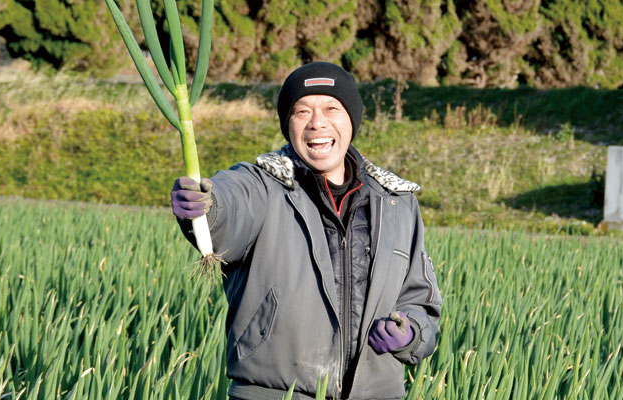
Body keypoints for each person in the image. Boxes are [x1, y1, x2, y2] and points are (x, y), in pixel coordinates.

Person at [170, 62, 441, 400]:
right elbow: (227, 207)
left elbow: (419, 302)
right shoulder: (262, 186)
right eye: (302, 111)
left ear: (351, 120)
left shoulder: (397, 204)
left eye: (332, 108)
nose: (317, 123)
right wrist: (204, 205)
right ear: (288, 124)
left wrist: (411, 333)